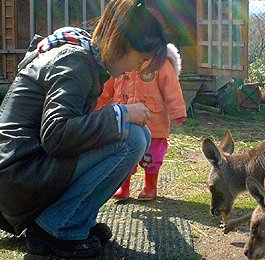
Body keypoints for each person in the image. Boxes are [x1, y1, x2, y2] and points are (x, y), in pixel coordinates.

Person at [0, 0, 168, 257]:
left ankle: (74, 219)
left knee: (137, 133)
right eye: (141, 59)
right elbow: (56, 135)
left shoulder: (84, 55)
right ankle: (58, 228)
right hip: (19, 178)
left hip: (24, 173)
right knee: (132, 137)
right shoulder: (74, 61)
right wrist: (119, 113)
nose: (139, 67)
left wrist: (118, 117)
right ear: (121, 42)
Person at [98, 43, 186, 201]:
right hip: (124, 119)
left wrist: (177, 112)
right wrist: (96, 105)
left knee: (152, 155)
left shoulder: (159, 63)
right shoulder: (120, 62)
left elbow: (171, 88)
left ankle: (150, 186)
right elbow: (107, 88)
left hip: (154, 121)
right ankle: (123, 186)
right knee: (123, 153)